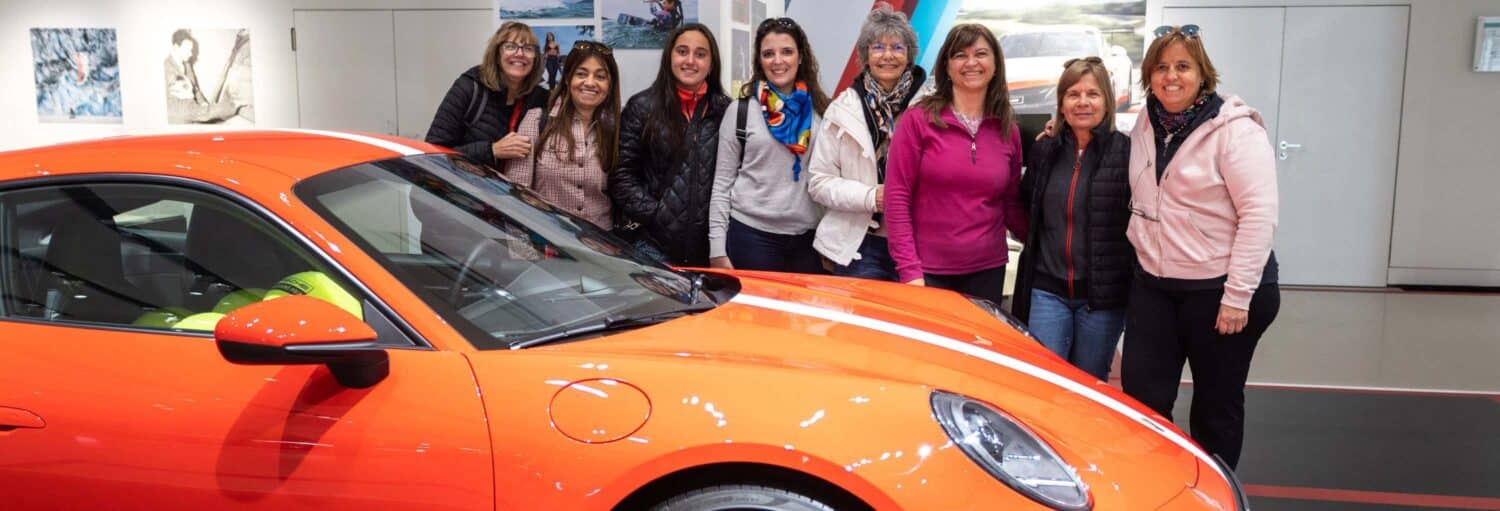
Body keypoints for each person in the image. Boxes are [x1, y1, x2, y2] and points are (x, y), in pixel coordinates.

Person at [1121, 24, 1280, 470]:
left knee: (1215, 405)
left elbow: (1258, 217)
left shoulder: (1235, 129)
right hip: (1155, 285)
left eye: (1183, 66)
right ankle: (1160, 485)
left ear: (1202, 74)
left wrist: (1237, 296)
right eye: (1161, 67)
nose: (1171, 76)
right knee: (1144, 399)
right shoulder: (1146, 121)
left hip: (1220, 290)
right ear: (1149, 75)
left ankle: (1215, 492)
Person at [884, 23, 1025, 305]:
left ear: (995, 64)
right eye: (960, 55)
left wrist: (1049, 242)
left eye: (981, 54)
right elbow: (896, 198)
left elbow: (1010, 202)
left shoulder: (1007, 128)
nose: (971, 62)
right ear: (946, 66)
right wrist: (910, 271)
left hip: (987, 271)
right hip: (927, 273)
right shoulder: (918, 120)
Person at [1012, 57, 1133, 381]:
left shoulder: (1127, 153)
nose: (1083, 102)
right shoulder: (1045, 150)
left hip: (1101, 297)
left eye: (1092, 94)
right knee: (1045, 380)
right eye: (1073, 94)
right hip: (1046, 291)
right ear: (1061, 103)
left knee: (1088, 384)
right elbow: (1025, 203)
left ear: (1107, 101)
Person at [806, 2, 926, 281]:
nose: (888, 56)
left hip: (917, 242)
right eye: (878, 47)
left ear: (909, 56)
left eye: (897, 47)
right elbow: (819, 182)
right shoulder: (842, 109)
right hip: (859, 245)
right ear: (865, 55)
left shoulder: (929, 107)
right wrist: (872, 197)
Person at [707, 17, 830, 273]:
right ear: (759, 61)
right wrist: (717, 249)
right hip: (751, 237)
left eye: (786, 51)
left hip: (808, 241)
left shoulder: (822, 112)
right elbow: (721, 184)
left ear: (800, 57)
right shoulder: (741, 111)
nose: (777, 61)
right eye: (768, 53)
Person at [609, 23, 730, 266]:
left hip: (709, 249)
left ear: (712, 63)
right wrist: (657, 215)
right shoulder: (642, 107)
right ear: (669, 57)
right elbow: (621, 176)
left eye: (700, 54)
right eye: (682, 51)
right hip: (652, 245)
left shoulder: (725, 111)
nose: (690, 61)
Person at [502, 41, 621, 231]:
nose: (590, 83)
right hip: (550, 247)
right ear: (567, 78)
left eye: (600, 76)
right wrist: (525, 257)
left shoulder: (617, 128)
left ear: (610, 84)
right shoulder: (537, 121)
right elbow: (516, 196)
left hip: (602, 249)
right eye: (581, 74)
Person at [426, 21, 549, 167]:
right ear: (497, 54)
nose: (520, 54)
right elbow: (433, 153)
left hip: (515, 188)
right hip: (468, 187)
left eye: (528, 48)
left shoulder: (541, 98)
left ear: (535, 58)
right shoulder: (470, 87)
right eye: (510, 46)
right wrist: (491, 150)